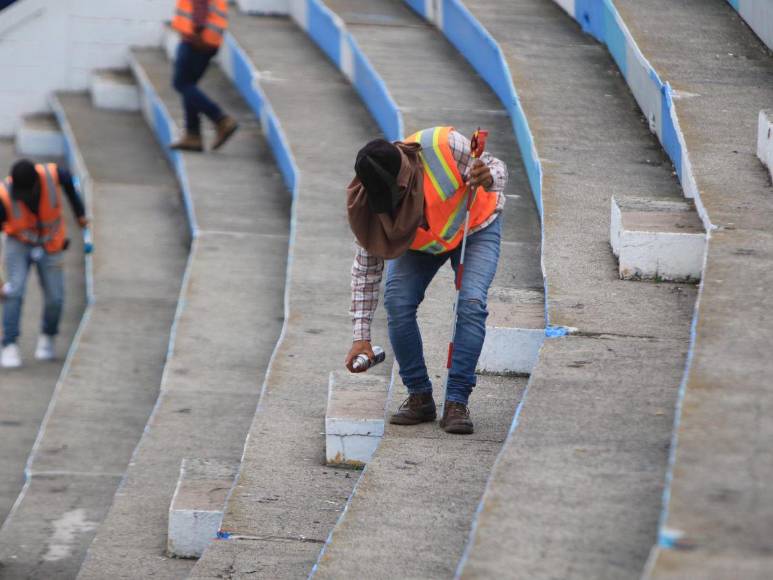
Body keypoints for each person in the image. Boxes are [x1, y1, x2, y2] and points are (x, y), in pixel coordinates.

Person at [345, 126, 508, 435]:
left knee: (471, 302)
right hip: (421, 245)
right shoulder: (366, 202)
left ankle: (457, 401)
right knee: (397, 301)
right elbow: (365, 270)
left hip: (475, 227)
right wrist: (360, 336)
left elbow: (498, 167)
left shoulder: (445, 146)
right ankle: (419, 396)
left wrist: (488, 177)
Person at [0, 160, 88, 368]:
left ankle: (48, 335)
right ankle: (9, 344)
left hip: (51, 241)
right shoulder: (3, 195)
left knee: (55, 297)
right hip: (18, 242)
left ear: (35, 185)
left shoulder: (53, 175)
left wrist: (80, 215)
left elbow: (71, 190)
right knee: (14, 290)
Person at [169, 0, 238, 152]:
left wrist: (196, 34)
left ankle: (221, 119)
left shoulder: (196, 37)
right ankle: (193, 135)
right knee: (189, 85)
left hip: (196, 40)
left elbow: (200, 6)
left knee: (181, 84)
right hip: (208, 40)